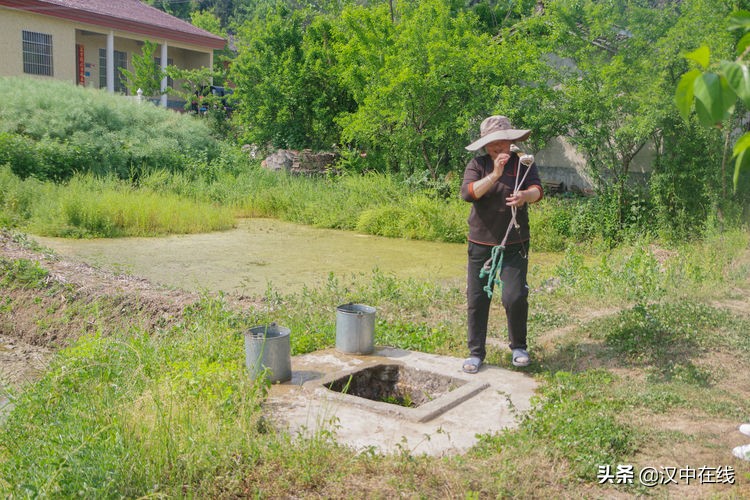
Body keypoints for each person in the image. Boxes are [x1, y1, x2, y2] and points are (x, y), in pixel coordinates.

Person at [459, 115, 543, 373]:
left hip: (515, 242)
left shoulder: (523, 164)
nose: (499, 148)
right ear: (485, 145)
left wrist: (524, 196)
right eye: (493, 144)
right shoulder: (478, 164)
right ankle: (476, 353)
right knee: (477, 298)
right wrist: (495, 174)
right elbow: (468, 193)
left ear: (510, 141)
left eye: (503, 143)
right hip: (481, 242)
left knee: (514, 296)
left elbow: (538, 191)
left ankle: (518, 347)